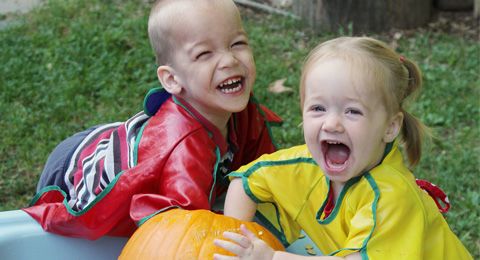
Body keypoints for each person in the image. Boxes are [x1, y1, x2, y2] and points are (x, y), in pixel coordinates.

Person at [23, 0, 282, 240]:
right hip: (72, 168)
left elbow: (265, 172)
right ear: (172, 80)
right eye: (204, 54)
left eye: (237, 43)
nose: (229, 59)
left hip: (117, 139)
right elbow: (186, 233)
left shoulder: (240, 109)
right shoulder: (183, 150)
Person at [213, 37, 472, 259]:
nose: (332, 123)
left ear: (390, 127)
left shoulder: (391, 197)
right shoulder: (304, 165)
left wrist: (273, 256)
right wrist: (238, 238)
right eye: (318, 108)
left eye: (352, 111)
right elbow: (244, 183)